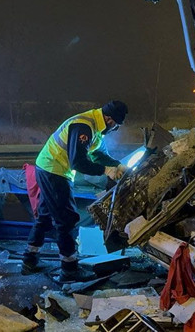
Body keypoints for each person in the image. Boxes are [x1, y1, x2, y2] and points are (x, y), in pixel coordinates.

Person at [22, 100, 129, 281]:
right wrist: (105, 171)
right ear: (110, 120)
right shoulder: (83, 127)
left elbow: (97, 154)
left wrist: (116, 164)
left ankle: (29, 259)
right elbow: (78, 162)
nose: (115, 130)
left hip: (48, 167)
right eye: (116, 126)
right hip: (54, 171)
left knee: (45, 217)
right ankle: (69, 269)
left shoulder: (95, 126)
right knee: (66, 219)